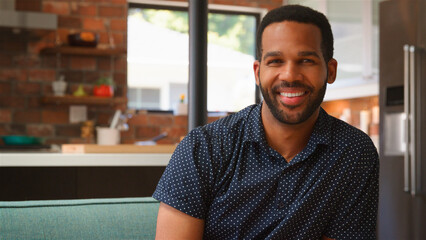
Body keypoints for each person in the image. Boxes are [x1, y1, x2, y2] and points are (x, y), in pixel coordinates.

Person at [153, 4, 379, 240]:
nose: (290, 75)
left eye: (306, 61)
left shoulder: (354, 153)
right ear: (257, 72)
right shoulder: (202, 148)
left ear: (330, 71)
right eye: (276, 61)